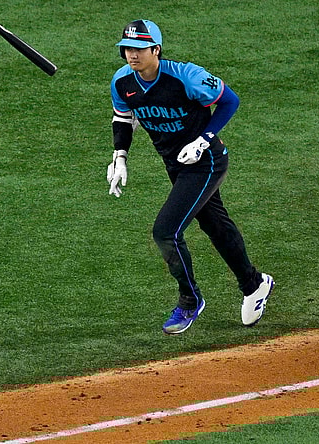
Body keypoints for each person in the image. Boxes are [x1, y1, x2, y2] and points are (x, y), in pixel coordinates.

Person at [106, 19, 274, 335]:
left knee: (165, 231)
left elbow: (230, 100)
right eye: (128, 48)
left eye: (140, 48)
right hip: (176, 165)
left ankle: (189, 300)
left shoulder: (187, 77)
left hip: (205, 162)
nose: (132, 54)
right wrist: (120, 157)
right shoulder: (122, 82)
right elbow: (123, 117)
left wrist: (203, 139)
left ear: (156, 49)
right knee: (214, 224)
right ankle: (254, 284)